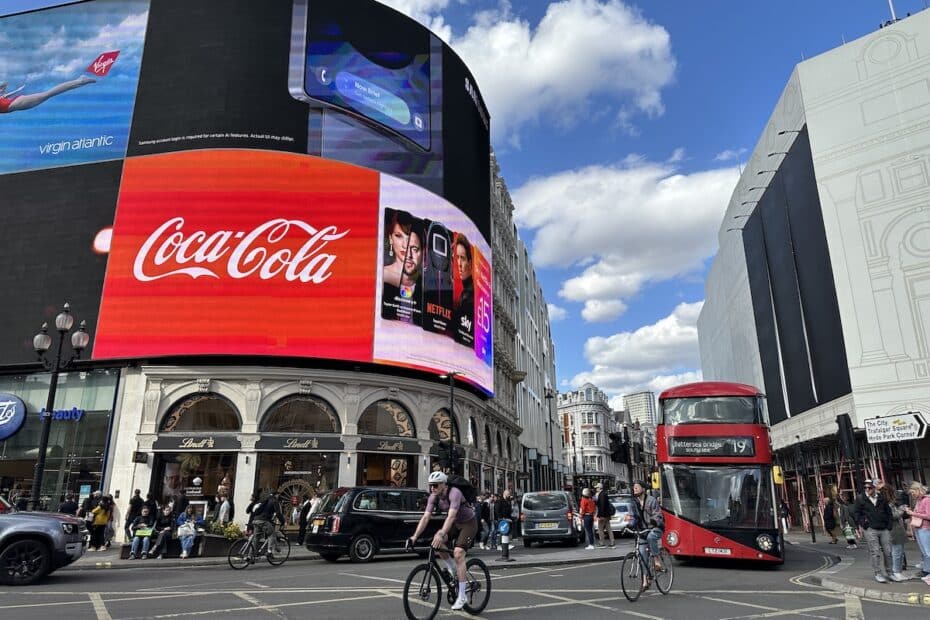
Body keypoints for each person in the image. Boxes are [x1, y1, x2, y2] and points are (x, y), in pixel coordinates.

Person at [407, 471, 477, 611]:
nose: (432, 488)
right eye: (430, 485)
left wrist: (442, 533)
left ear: (444, 484)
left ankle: (462, 596)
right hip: (455, 524)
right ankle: (452, 568)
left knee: (458, 554)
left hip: (469, 523)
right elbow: (425, 517)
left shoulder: (454, 493)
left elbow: (451, 516)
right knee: (437, 542)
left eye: (435, 485)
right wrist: (414, 536)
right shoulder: (433, 497)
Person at [381, 210, 423, 325]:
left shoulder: (424, 286)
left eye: (408, 237)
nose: (405, 245)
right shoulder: (382, 276)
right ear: (390, 238)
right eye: (398, 236)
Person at [853, 479, 897, 583]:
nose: (867, 490)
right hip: (870, 529)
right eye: (865, 488)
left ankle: (890, 573)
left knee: (888, 551)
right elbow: (856, 513)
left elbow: (888, 512)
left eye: (869, 488)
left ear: (874, 488)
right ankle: (878, 573)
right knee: (875, 552)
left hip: (884, 528)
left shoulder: (881, 498)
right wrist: (864, 524)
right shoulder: (860, 498)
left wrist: (889, 525)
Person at [0, 75, 95, 114]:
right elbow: (5, 96)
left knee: (48, 94)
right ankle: (80, 81)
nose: (3, 90)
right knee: (48, 94)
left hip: (15, 103)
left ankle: (80, 81)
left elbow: (4, 95)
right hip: (14, 103)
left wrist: (15, 91)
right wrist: (17, 90)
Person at [631, 481, 665, 577]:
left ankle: (657, 559)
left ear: (643, 489)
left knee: (651, 537)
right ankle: (645, 579)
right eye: (634, 487)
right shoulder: (635, 502)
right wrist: (630, 524)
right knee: (642, 555)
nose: (634, 489)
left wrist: (654, 521)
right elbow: (633, 516)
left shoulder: (651, 500)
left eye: (637, 487)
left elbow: (657, 514)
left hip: (656, 527)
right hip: (643, 530)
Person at [449, 233, 475, 346]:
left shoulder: (470, 296)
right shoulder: (465, 293)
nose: (459, 264)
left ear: (470, 262)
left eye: (462, 258)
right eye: (457, 258)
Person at [902, 481, 930, 582]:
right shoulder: (919, 500)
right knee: (924, 551)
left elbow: (928, 516)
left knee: (927, 552)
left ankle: (928, 571)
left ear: (918, 490)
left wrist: (913, 513)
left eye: (913, 492)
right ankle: (926, 570)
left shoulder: (926, 500)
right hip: (919, 527)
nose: (912, 494)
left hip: (925, 528)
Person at [250, 490, 286, 558]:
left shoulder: (265, 500)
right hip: (263, 521)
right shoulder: (274, 501)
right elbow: (278, 513)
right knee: (272, 534)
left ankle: (250, 555)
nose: (278, 497)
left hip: (255, 520)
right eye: (278, 495)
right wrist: (283, 522)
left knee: (256, 538)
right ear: (276, 495)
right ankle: (269, 552)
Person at [594, 483, 615, 548]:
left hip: (603, 515)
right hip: (607, 515)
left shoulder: (601, 495)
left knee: (600, 529)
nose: (596, 489)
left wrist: (600, 515)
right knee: (609, 529)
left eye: (597, 488)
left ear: (599, 488)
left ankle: (602, 543)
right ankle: (612, 542)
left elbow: (602, 506)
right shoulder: (604, 494)